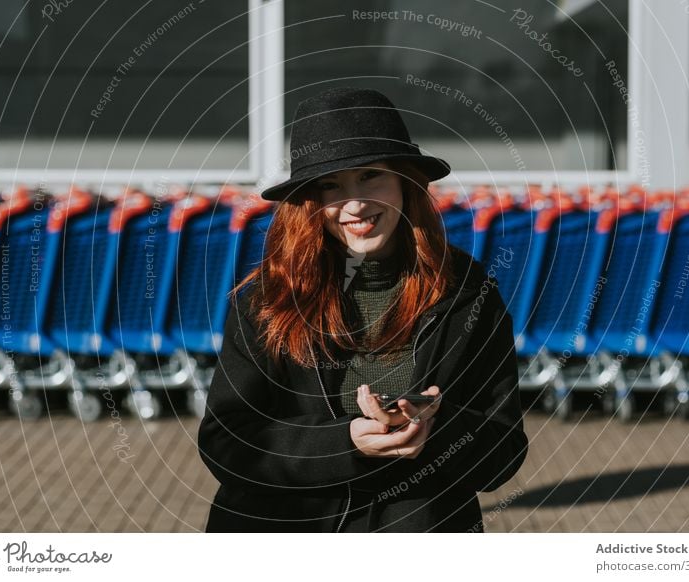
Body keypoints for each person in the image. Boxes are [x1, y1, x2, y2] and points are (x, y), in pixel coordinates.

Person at [197, 86, 528, 532]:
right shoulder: (268, 299)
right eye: (330, 186)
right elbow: (226, 443)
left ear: (406, 183)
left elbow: (502, 453)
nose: (353, 204)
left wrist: (434, 429)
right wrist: (346, 443)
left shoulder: (467, 295)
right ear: (308, 203)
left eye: (370, 176)